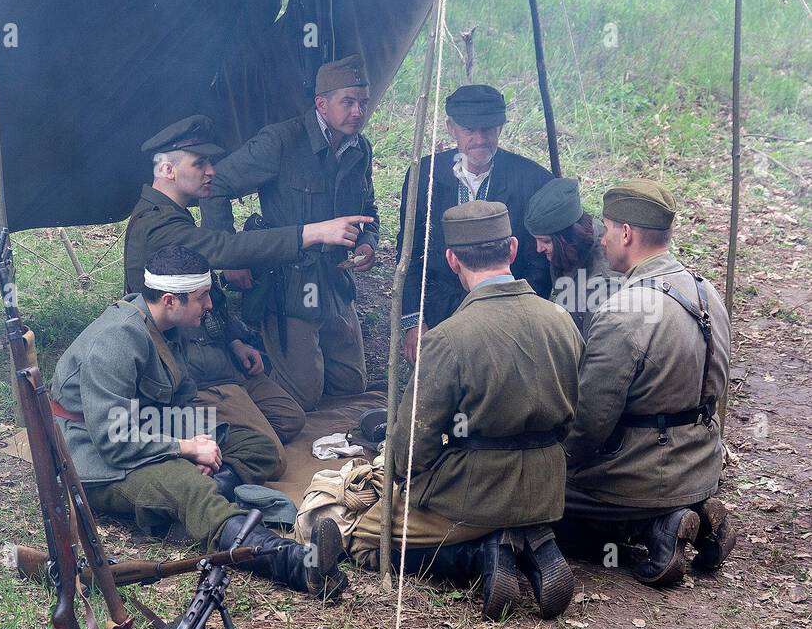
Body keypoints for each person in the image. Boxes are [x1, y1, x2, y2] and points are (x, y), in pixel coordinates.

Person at [50, 245, 348, 599]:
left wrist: (200, 443)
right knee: (189, 487)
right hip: (95, 455)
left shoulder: (166, 326)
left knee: (257, 447)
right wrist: (184, 449)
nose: (210, 305)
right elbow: (113, 439)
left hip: (148, 428)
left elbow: (181, 396)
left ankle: (188, 510)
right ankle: (296, 563)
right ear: (169, 300)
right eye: (202, 297)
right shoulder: (116, 339)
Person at [332, 202, 583, 620]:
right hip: (548, 487)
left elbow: (412, 447)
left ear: (451, 260)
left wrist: (392, 476)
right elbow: (575, 412)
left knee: (362, 539)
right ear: (514, 248)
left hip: (474, 494)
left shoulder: (448, 338)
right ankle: (529, 541)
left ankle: (480, 555)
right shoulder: (561, 320)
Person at [123, 115, 371, 470]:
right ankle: (187, 443)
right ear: (167, 170)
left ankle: (223, 423)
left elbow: (204, 289)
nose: (211, 171)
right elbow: (226, 249)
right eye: (200, 163)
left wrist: (235, 338)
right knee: (267, 453)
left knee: (290, 417)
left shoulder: (171, 214)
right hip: (183, 365)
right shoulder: (158, 225)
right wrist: (314, 232)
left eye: (210, 162)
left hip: (211, 349)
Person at [561, 181, 736, 585]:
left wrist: (556, 463)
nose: (601, 238)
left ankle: (658, 529)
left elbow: (589, 423)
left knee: (541, 502)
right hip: (701, 464)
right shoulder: (706, 291)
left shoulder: (623, 310)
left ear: (626, 233)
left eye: (606, 228)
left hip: (643, 475)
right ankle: (697, 515)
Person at [200, 54, 379, 412]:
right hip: (289, 286)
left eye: (362, 102)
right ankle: (251, 366)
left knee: (351, 384)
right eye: (348, 102)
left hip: (335, 285)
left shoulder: (359, 149)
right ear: (321, 104)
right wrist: (230, 255)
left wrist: (367, 244)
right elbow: (214, 184)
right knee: (303, 397)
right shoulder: (281, 142)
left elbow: (369, 212)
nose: (358, 111)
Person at [397, 84, 553, 363]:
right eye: (470, 130)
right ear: (450, 128)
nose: (480, 139)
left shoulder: (533, 181)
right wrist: (414, 321)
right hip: (439, 312)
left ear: (501, 128)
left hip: (507, 317)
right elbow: (410, 254)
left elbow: (539, 265)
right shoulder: (424, 175)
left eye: (489, 129)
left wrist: (522, 321)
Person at [524, 177, 614, 333]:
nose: (539, 248)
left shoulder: (602, 278)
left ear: (567, 237)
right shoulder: (569, 249)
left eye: (545, 241)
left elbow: (597, 346)